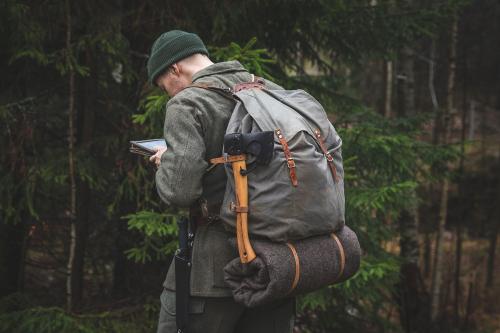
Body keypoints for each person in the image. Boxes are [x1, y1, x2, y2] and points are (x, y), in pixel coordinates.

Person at [146, 30, 295, 333]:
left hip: (213, 273)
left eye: (165, 87)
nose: (170, 95)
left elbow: (179, 191)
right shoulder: (270, 91)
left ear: (175, 68)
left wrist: (166, 163)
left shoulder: (187, 104)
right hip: (277, 264)